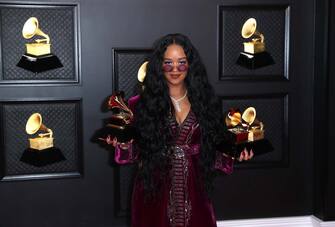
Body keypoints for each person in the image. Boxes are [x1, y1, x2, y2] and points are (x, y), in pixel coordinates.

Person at [104, 33, 253, 227]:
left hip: (196, 192)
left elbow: (214, 149)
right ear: (159, 66)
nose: (175, 69)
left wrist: (235, 153)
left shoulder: (206, 103)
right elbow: (131, 155)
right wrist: (121, 143)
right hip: (152, 194)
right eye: (168, 63)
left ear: (190, 65)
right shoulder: (139, 104)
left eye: (181, 62)